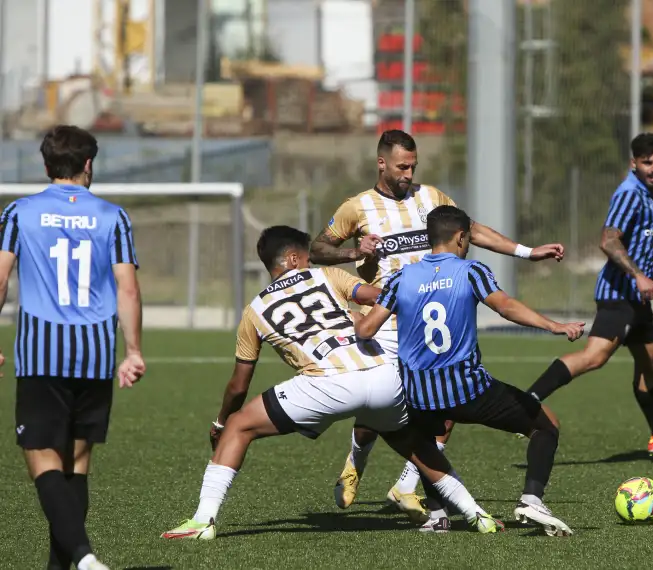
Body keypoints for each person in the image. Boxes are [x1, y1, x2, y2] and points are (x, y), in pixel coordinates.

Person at [162, 226, 503, 540]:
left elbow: (239, 384)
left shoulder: (254, 310)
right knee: (417, 446)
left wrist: (221, 422)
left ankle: (202, 521)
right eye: (307, 256)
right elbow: (385, 296)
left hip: (324, 385)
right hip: (383, 375)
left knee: (239, 427)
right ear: (294, 258)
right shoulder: (328, 275)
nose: (311, 260)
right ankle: (477, 515)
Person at [310, 129, 565, 520]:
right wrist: (352, 250)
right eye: (401, 166)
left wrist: (527, 253)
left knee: (441, 400)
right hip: (389, 320)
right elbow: (317, 248)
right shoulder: (357, 207)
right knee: (381, 403)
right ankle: (356, 464)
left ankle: (410, 486)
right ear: (381, 163)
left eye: (413, 165)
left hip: (430, 321)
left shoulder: (431, 198)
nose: (409, 173)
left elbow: (471, 229)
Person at [355, 206, 584, 536]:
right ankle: (532, 499)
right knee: (546, 424)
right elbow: (504, 306)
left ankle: (437, 514)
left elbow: (366, 331)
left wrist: (352, 318)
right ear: (461, 238)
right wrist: (552, 325)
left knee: (427, 441)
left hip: (417, 393)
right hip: (468, 390)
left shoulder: (401, 277)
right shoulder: (471, 270)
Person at [0, 125, 145, 570]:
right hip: (95, 352)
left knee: (42, 458)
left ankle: (82, 557)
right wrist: (133, 350)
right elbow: (128, 289)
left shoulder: (20, 213)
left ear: (46, 167)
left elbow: (0, 278)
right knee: (77, 464)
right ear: (88, 165)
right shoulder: (113, 216)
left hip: (41, 352)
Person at [524, 132, 653, 460]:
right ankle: (526, 403)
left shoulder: (650, 195)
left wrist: (648, 270)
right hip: (619, 294)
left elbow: (634, 243)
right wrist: (638, 274)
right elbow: (608, 240)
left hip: (638, 297)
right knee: (594, 357)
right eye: (647, 163)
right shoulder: (630, 193)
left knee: (650, 361)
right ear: (634, 163)